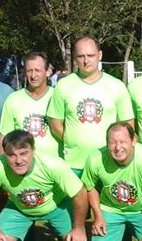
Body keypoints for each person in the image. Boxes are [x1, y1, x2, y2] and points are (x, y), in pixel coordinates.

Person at [0, 51, 60, 241]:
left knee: (61, 221)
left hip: (53, 172)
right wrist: (3, 171)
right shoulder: (14, 100)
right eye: (29, 70)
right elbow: (3, 137)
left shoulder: (57, 96)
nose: (33, 74)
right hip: (21, 171)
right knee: (24, 219)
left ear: (47, 72)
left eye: (38, 70)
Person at [48, 36, 134, 176]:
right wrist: (73, 139)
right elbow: (55, 123)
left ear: (100, 55)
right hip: (74, 164)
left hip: (107, 163)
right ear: (75, 58)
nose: (86, 60)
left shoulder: (117, 86)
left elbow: (127, 125)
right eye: (81, 56)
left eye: (90, 55)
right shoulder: (63, 86)